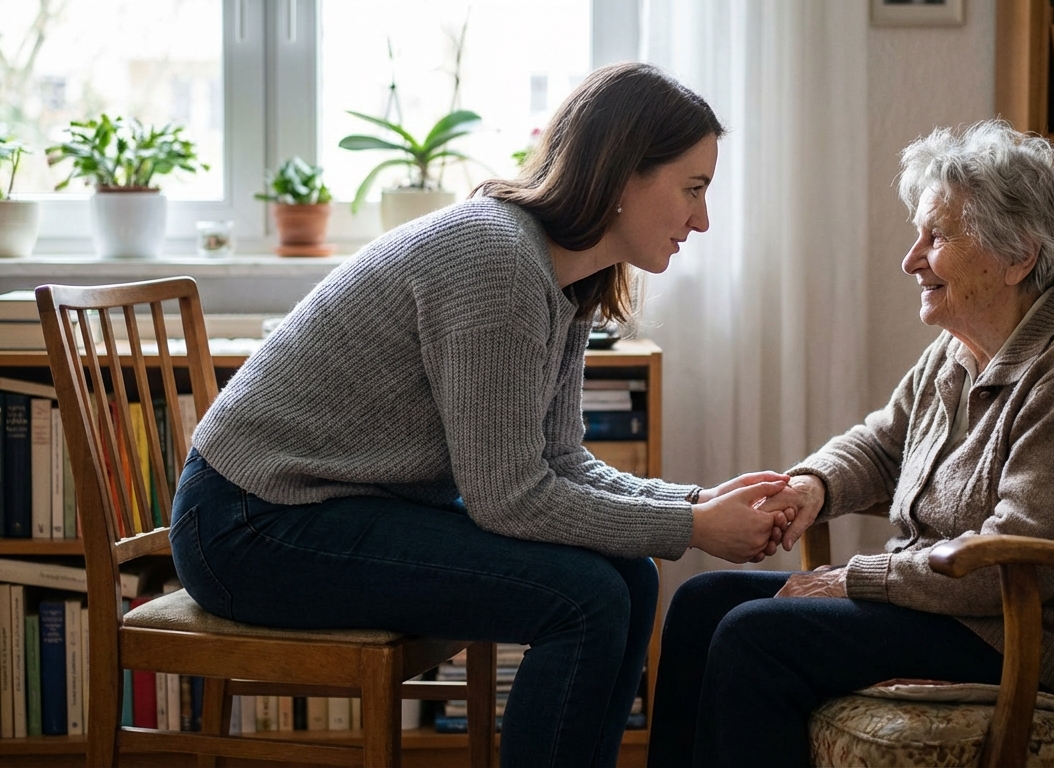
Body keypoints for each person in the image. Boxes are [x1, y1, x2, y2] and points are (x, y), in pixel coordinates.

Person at [167, 62, 794, 768]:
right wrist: (692, 527)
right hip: (249, 524)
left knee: (632, 574)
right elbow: (509, 498)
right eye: (693, 189)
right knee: (585, 598)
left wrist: (693, 503)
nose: (702, 220)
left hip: (326, 508)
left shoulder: (565, 276)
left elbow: (557, 462)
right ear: (624, 177)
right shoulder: (496, 260)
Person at [647, 120, 1054, 768]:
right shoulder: (961, 348)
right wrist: (814, 485)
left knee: (756, 639)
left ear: (1018, 256)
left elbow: (1017, 556)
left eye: (938, 237)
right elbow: (884, 442)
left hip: (1034, 633)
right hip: (955, 607)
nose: (912, 258)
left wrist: (854, 580)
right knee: (700, 605)